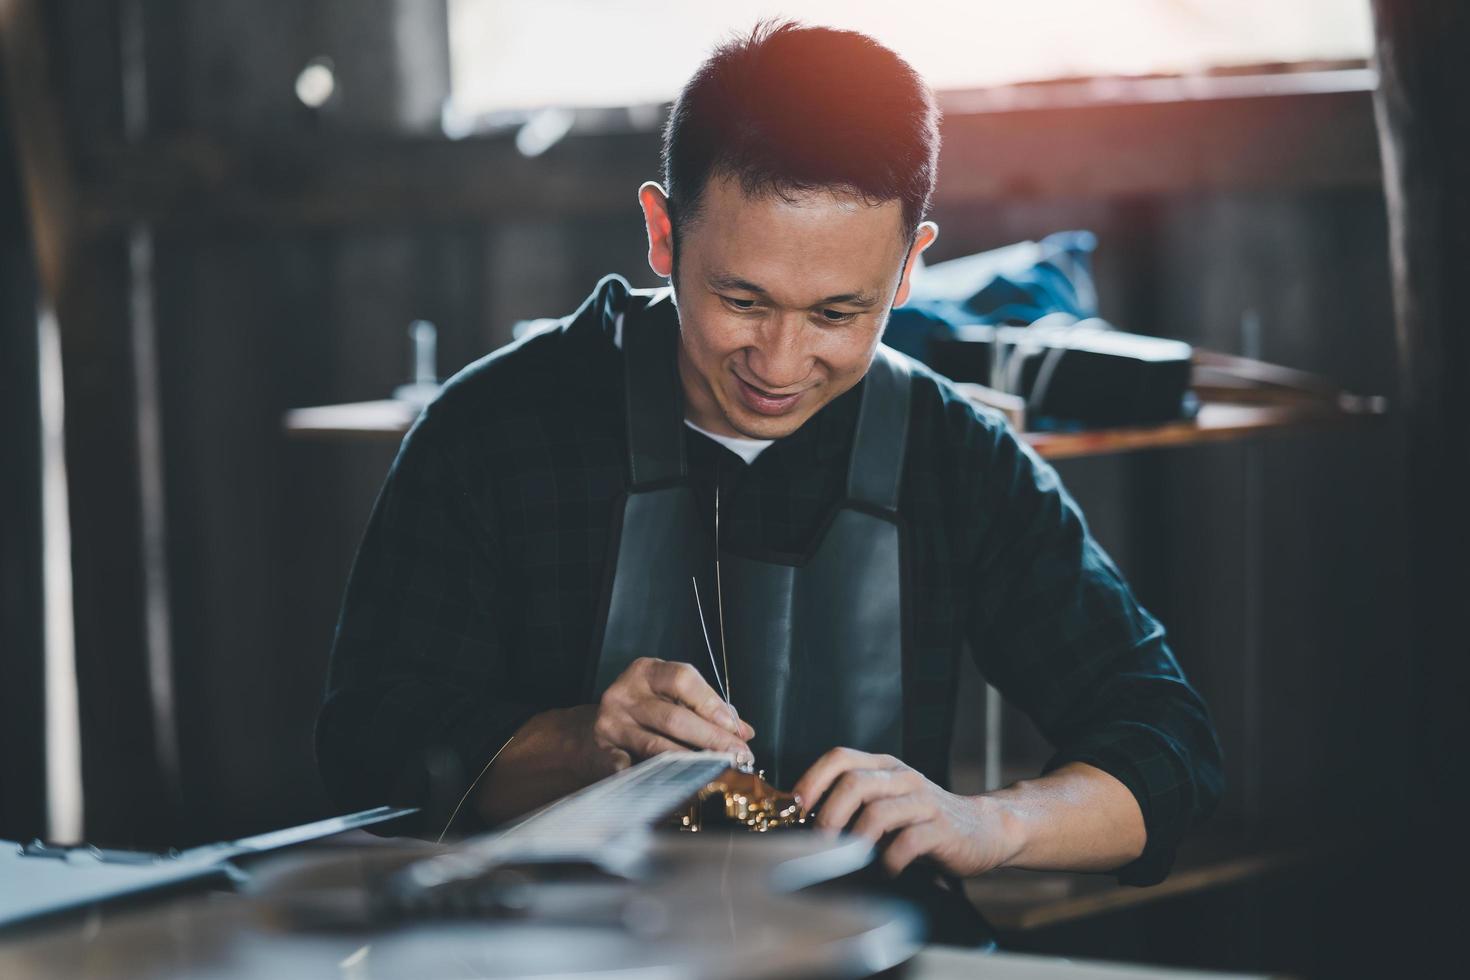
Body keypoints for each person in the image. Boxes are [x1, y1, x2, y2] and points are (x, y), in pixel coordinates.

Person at [317, 21, 1221, 944]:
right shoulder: (492, 431)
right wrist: (580, 740)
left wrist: (988, 823)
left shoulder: (952, 456)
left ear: (910, 267)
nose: (781, 364)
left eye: (838, 313)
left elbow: (1169, 747)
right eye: (741, 301)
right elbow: (366, 751)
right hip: (555, 951)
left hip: (866, 943)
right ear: (663, 234)